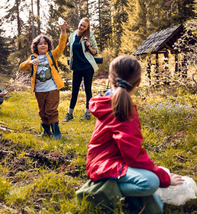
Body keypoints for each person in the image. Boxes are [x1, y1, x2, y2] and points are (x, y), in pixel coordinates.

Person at [86, 55, 184, 213]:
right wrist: (164, 179)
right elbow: (134, 156)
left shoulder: (107, 100)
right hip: (104, 165)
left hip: (107, 162)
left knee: (158, 173)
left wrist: (159, 173)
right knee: (151, 182)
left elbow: (131, 153)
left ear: (111, 79)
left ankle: (127, 193)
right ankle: (102, 191)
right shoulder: (124, 108)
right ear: (138, 82)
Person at [19, 21, 68, 140]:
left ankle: (56, 132)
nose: (43, 46)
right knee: (42, 112)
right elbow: (22, 67)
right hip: (39, 89)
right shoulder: (32, 57)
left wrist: (63, 31)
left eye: (45, 44)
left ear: (48, 45)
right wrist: (29, 63)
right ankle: (46, 132)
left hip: (52, 88)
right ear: (36, 46)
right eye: (40, 44)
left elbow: (61, 46)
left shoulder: (52, 55)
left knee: (51, 110)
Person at [63, 17, 99, 122]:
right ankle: (69, 114)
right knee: (74, 90)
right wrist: (68, 47)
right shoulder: (72, 35)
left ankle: (88, 113)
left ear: (87, 28)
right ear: (78, 24)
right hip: (76, 67)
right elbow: (73, 51)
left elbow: (95, 52)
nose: (82, 27)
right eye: (81, 25)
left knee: (88, 89)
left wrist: (89, 47)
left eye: (84, 26)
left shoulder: (89, 36)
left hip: (87, 66)